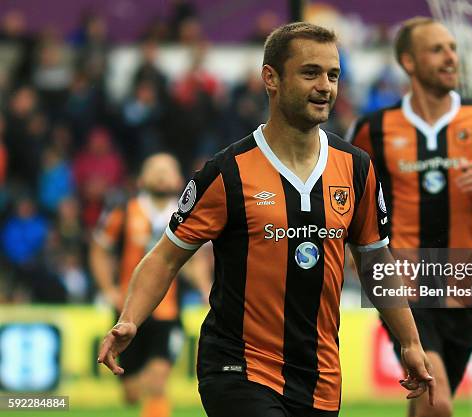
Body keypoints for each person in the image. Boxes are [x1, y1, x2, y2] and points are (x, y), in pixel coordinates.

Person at [98, 22, 435, 417]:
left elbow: (376, 262)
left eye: (333, 74)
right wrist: (130, 320)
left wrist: (410, 342)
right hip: (237, 367)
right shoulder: (226, 172)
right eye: (310, 72)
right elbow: (166, 257)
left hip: (319, 377)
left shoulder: (357, 169)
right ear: (270, 79)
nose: (325, 86)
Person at [349, 17, 472, 417]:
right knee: (439, 402)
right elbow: (349, 201)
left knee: (426, 404)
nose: (451, 57)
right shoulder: (373, 129)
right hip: (403, 285)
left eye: (453, 48)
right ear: (408, 62)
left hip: (468, 290)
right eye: (438, 49)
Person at [91, 153, 210, 417]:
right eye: (155, 169)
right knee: (132, 394)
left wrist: (204, 287)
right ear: (142, 178)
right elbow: (100, 250)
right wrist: (107, 288)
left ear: (179, 179)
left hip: (168, 313)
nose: (161, 175)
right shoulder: (123, 211)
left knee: (157, 381)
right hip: (129, 311)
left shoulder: (187, 214)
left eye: (167, 170)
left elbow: (196, 259)